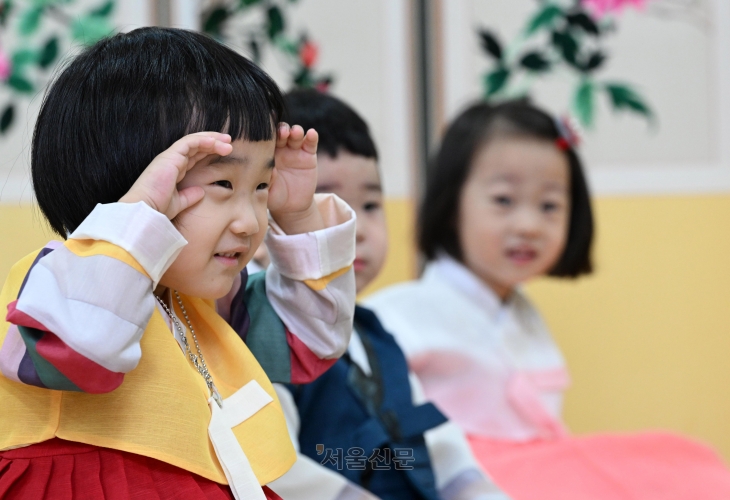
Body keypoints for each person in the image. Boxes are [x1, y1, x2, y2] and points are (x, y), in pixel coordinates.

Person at [0, 28, 357, 500]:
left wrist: (298, 214)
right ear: (138, 182)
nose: (251, 223)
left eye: (262, 186)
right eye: (224, 185)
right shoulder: (65, 276)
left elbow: (309, 341)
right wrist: (141, 217)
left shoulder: (201, 305)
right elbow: (84, 351)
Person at [366, 100, 730, 500]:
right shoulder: (398, 314)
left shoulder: (525, 318)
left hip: (534, 479)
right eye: (504, 200)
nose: (529, 225)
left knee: (686, 467)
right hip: (457, 480)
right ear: (453, 204)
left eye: (550, 206)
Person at [265, 89, 509, 500]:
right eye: (325, 202)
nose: (358, 229)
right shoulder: (266, 338)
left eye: (371, 204)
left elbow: (440, 445)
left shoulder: (377, 335)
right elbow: (273, 464)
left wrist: (473, 488)